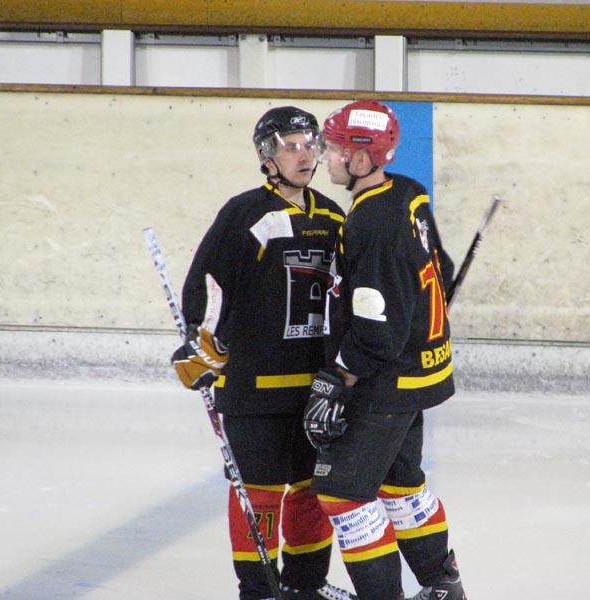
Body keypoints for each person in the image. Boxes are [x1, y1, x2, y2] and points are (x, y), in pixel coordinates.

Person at [171, 106, 356, 600]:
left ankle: (305, 586)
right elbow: (207, 286)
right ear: (267, 156)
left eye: (310, 145)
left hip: (316, 389)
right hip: (254, 389)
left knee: (311, 493)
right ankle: (258, 590)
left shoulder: (333, 216)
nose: (304, 155)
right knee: (260, 496)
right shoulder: (246, 213)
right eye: (290, 146)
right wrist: (201, 343)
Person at [303, 100, 467, 600]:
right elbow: (441, 267)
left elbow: (378, 333)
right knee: (400, 484)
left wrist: (338, 378)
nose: (325, 156)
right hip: (420, 372)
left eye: (334, 148)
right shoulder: (408, 193)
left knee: (341, 493)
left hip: (387, 381)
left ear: (361, 158)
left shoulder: (371, 223)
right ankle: (443, 587)